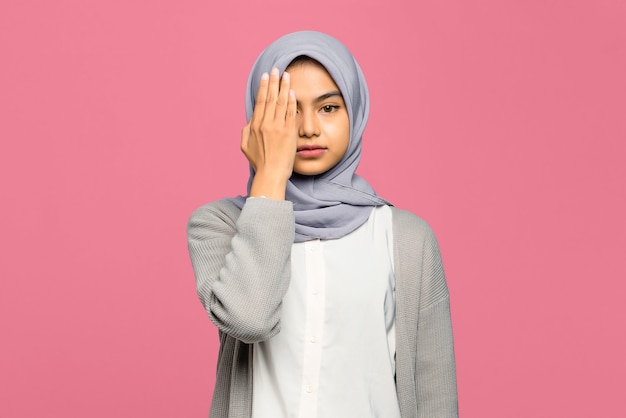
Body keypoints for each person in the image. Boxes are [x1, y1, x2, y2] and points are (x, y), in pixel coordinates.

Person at [187, 31, 458, 418]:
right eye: (288, 111)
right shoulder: (220, 224)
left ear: (355, 110)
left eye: (328, 108)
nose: (309, 128)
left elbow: (434, 393)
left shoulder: (408, 238)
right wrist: (271, 175)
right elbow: (249, 319)